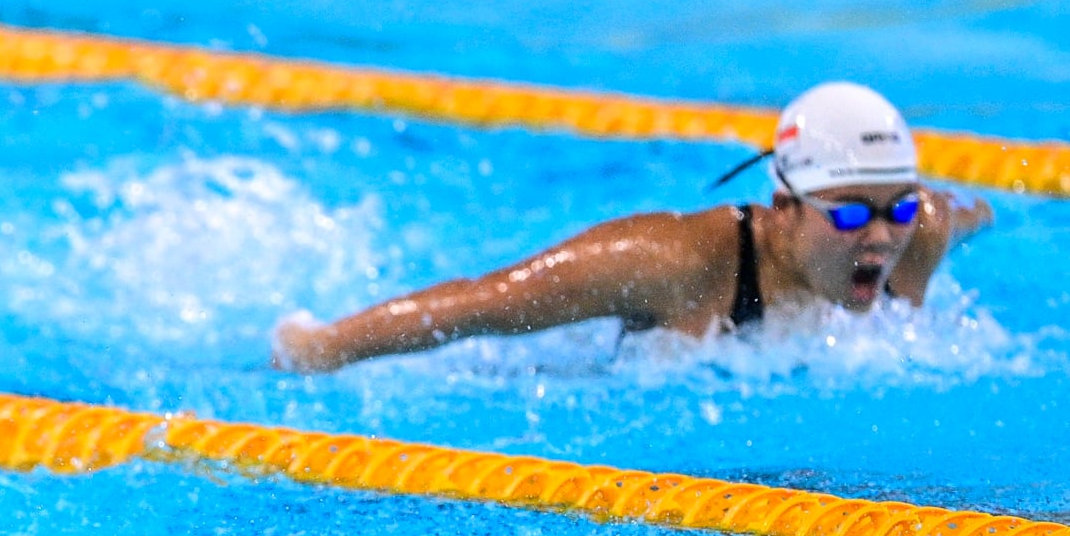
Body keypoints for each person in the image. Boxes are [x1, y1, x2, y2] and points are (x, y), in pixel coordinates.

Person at [272, 81, 994, 373]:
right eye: (851, 213)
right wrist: (321, 347)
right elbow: (481, 303)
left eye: (898, 207)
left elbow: (973, 214)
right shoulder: (671, 263)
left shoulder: (921, 234)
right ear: (783, 206)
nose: (881, 237)